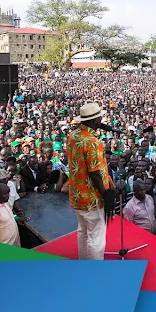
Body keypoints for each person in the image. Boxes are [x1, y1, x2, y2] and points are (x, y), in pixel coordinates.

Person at [66, 103, 116, 260]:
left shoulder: (73, 135)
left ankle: (84, 263)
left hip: (77, 194)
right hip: (92, 198)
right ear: (95, 121)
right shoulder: (93, 142)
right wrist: (105, 193)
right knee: (96, 238)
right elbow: (94, 173)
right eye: (99, 118)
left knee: (82, 231)